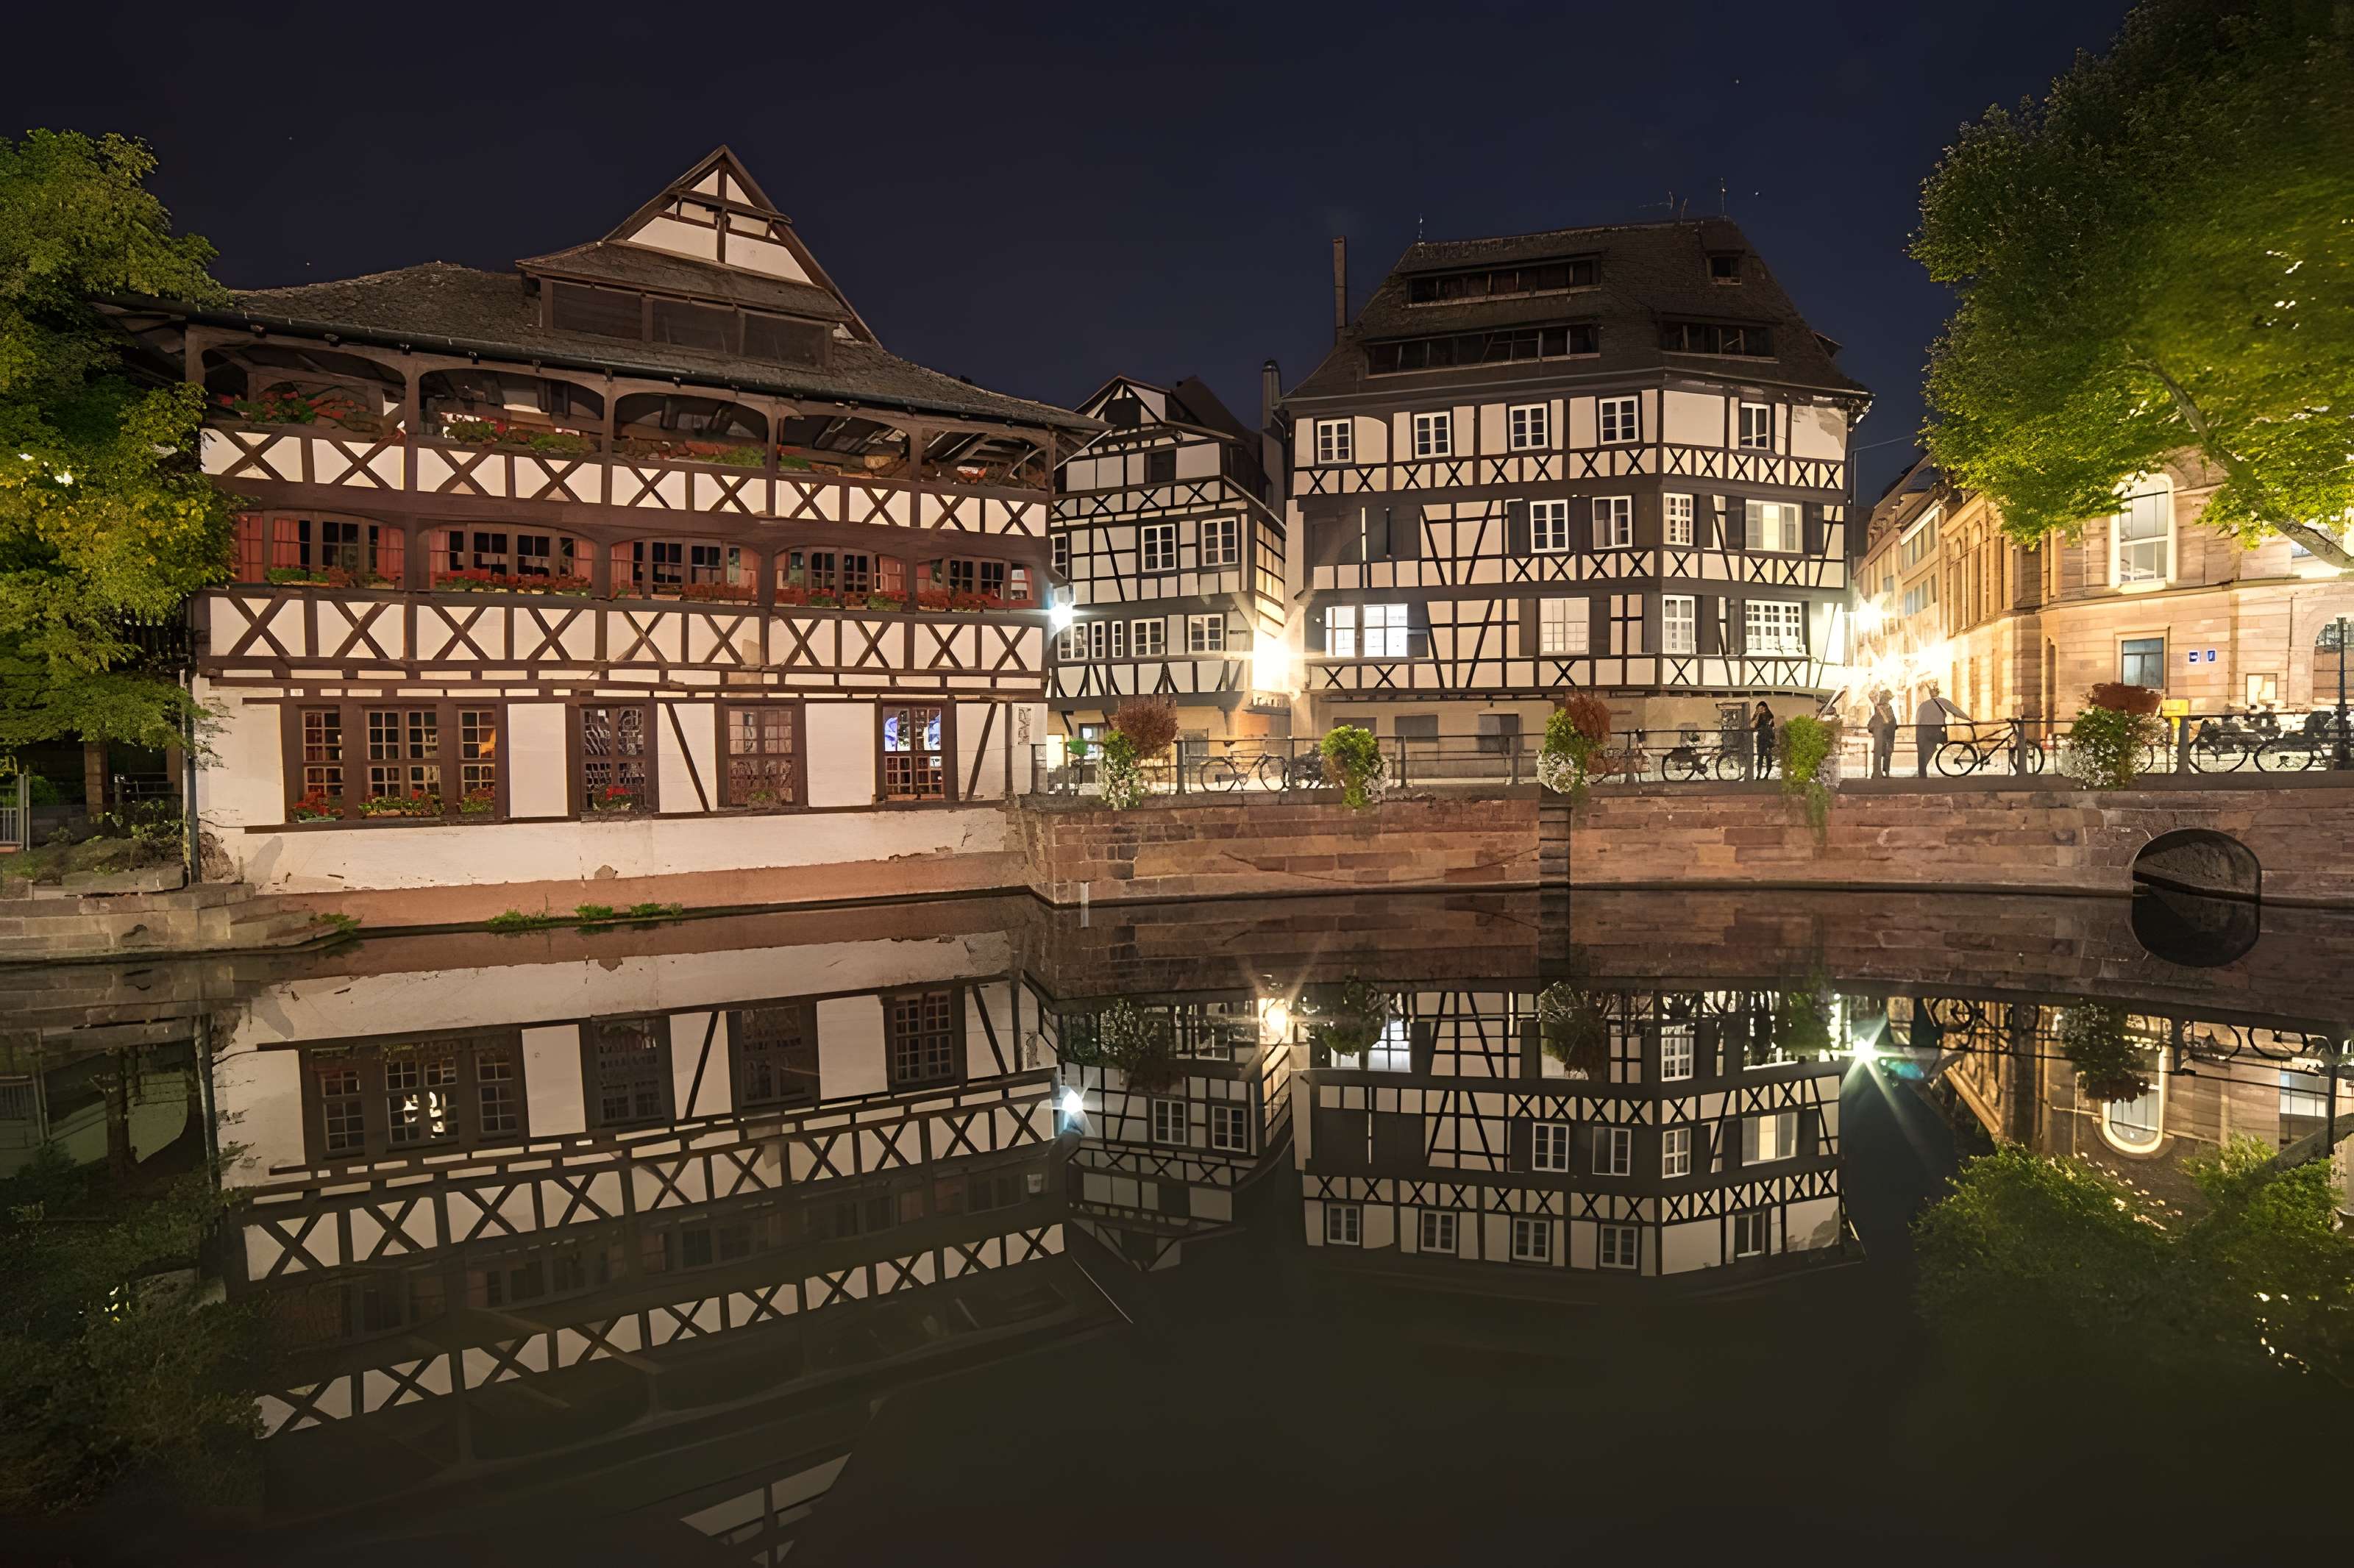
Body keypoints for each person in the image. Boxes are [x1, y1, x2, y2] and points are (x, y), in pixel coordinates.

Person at [1868, 690, 1897, 779]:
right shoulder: (1885, 707)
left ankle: (1878, 772)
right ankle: (1885, 772)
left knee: (1879, 753)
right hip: (1887, 733)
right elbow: (1892, 721)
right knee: (1887, 752)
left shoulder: (1878, 707)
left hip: (1880, 733)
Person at [1751, 701, 1777, 778]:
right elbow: (1754, 725)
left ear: (1764, 708)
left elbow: (1770, 728)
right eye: (1759, 708)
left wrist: (1771, 739)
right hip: (1761, 738)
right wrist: (1757, 715)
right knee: (1760, 757)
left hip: (1768, 738)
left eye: (1761, 708)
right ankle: (1759, 774)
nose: (1760, 709)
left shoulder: (1770, 716)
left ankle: (1767, 774)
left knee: (1768, 757)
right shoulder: (1759, 715)